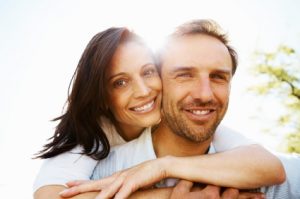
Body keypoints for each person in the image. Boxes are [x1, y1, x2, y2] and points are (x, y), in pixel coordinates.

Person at [33, 24, 285, 199]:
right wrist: (168, 195)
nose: (143, 91)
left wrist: (163, 167)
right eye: (120, 82)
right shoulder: (91, 137)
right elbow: (50, 196)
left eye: (148, 72)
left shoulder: (181, 117)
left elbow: (269, 166)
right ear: (102, 99)